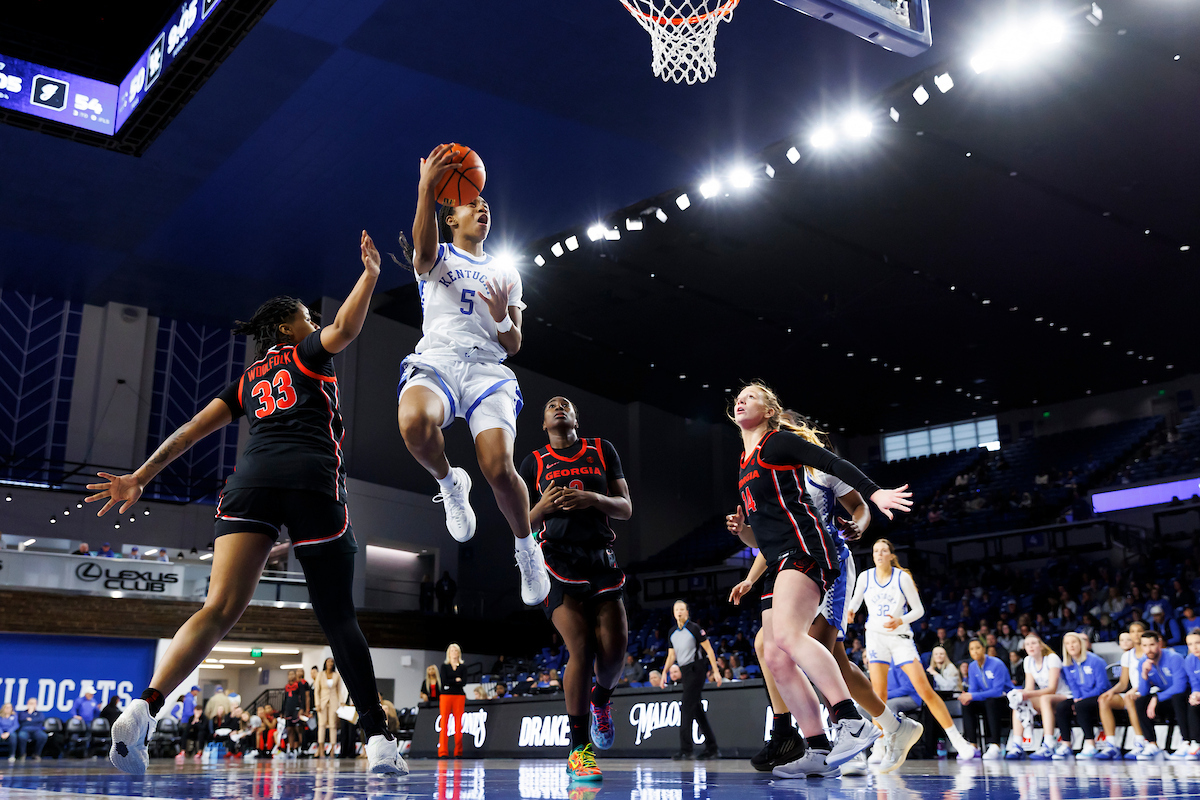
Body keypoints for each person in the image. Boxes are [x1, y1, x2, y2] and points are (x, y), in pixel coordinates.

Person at [95, 232, 405, 776]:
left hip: (249, 484)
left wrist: (140, 476)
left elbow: (189, 432)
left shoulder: (246, 382)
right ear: (287, 328)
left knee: (217, 609)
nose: (313, 322)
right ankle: (379, 740)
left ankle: (145, 705)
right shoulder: (306, 354)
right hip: (311, 480)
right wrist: (371, 275)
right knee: (337, 617)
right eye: (306, 316)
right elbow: (347, 327)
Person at [725, 384, 913, 778]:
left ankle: (852, 722)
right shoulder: (744, 463)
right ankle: (818, 746)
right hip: (778, 559)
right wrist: (744, 534)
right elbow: (762, 537)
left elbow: (833, 463)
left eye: (752, 396)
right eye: (738, 397)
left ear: (770, 411)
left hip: (808, 550)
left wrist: (874, 494)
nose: (741, 400)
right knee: (775, 654)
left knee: (793, 638)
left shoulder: (778, 443)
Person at [394, 144, 549, 606]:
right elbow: (421, 250)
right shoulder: (437, 255)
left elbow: (514, 344)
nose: (483, 208)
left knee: (499, 470)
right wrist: (425, 188)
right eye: (472, 204)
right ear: (451, 218)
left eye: (486, 205)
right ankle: (450, 483)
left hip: (487, 370)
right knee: (413, 424)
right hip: (439, 359)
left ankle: (526, 548)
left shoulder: (506, 271)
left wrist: (501, 316)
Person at [520, 396, 633, 780]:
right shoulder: (533, 462)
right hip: (555, 559)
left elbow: (626, 507)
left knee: (614, 651)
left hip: (600, 557)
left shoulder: (602, 449)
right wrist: (542, 508)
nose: (558, 406)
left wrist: (592, 498)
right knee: (581, 646)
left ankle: (601, 699)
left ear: (575, 418)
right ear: (544, 423)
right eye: (550, 405)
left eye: (565, 404)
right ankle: (578, 749)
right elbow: (520, 523)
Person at [849, 539, 979, 761]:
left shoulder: (902, 577)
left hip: (900, 637)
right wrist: (850, 611)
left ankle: (958, 741)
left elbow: (918, 610)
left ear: (891, 555)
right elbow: (854, 602)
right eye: (875, 551)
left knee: (924, 690)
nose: (879, 554)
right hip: (875, 636)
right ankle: (879, 746)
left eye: (883, 550)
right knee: (878, 694)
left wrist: (900, 620)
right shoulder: (865, 577)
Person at [660, 600, 722, 761]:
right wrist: (664, 673)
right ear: (673, 613)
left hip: (697, 668)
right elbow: (671, 655)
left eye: (682, 609)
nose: (679, 612)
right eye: (676, 610)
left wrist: (716, 671)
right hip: (685, 671)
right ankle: (712, 748)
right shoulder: (672, 632)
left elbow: (709, 650)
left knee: (686, 707)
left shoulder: (694, 628)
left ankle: (686, 750)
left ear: (687, 612)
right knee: (697, 710)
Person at [1007, 633, 1070, 760]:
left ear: (1041, 646)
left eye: (1033, 643)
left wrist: (1027, 694)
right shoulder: (1027, 661)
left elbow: (1052, 689)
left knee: (1044, 698)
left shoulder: (1051, 658)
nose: (1030, 646)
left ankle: (1048, 744)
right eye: (1027, 644)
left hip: (1064, 695)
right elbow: (1029, 688)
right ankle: (1017, 745)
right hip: (1046, 697)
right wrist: (1020, 693)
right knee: (1018, 701)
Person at [1053, 632, 1114, 759]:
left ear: (1081, 644)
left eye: (1074, 642)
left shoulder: (1095, 661)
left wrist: (1081, 700)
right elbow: (1073, 686)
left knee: (1081, 706)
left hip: (1100, 696)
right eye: (1067, 643)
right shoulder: (1067, 664)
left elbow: (1102, 686)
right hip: (1081, 698)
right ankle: (1066, 744)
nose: (1071, 646)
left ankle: (1090, 744)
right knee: (1062, 707)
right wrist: (1076, 698)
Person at [1134, 630, 1190, 759]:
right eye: (1145, 646)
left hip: (1184, 696)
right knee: (1140, 702)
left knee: (1177, 698)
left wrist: (1157, 698)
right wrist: (1144, 674)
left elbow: (1180, 687)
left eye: (1152, 645)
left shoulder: (1174, 658)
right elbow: (1143, 692)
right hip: (1166, 699)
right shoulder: (1143, 662)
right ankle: (1151, 744)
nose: (1149, 649)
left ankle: (1186, 742)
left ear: (1159, 644)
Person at [960, 639, 1013, 760]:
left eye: (978, 648)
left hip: (1005, 700)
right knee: (967, 704)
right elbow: (973, 689)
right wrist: (967, 696)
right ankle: (973, 745)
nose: (975, 651)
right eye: (972, 649)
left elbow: (997, 691)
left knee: (991, 701)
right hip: (987, 700)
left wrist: (972, 696)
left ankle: (995, 745)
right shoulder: (972, 666)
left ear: (984, 649)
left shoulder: (997, 663)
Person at [1100, 626, 1148, 758]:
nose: (1136, 634)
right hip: (1133, 692)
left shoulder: (1149, 651)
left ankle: (1140, 742)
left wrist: (1136, 689)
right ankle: (1111, 745)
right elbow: (1123, 683)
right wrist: (1110, 692)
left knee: (1129, 698)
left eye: (1139, 631)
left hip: (1148, 690)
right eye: (1132, 631)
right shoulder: (1127, 656)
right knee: (1104, 699)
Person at [439, 643, 467, 757]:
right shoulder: (444, 666)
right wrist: (456, 680)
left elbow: (464, 682)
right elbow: (444, 681)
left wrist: (452, 681)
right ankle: (443, 751)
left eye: (456, 651)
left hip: (459, 696)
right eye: (452, 650)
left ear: (459, 653)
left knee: (458, 724)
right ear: (448, 653)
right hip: (446, 696)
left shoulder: (463, 667)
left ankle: (458, 751)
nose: (454, 653)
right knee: (444, 723)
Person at [314, 657, 342, 758]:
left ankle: (332, 749)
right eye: (328, 662)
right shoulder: (320, 675)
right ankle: (321, 749)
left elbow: (339, 690)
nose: (330, 663)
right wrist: (317, 703)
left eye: (331, 662)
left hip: (333, 702)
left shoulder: (336, 675)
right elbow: (317, 690)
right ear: (325, 663)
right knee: (321, 725)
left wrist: (341, 702)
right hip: (322, 702)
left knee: (333, 725)